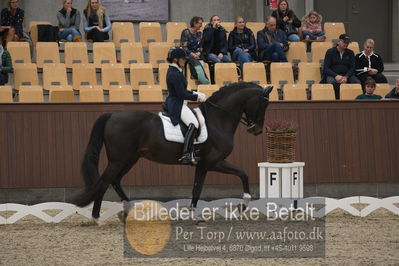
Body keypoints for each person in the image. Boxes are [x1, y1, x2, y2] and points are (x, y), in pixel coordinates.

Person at [164, 48, 206, 164]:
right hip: (176, 103)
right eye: (183, 59)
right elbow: (181, 94)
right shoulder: (174, 74)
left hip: (179, 101)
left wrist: (194, 93)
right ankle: (186, 153)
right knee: (194, 124)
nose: (185, 62)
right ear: (176, 59)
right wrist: (196, 96)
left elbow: (183, 90)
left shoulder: (176, 71)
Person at [322, 34, 360, 99]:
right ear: (339, 41)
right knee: (332, 82)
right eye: (344, 42)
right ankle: (336, 101)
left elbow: (352, 67)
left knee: (357, 82)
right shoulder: (330, 52)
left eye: (347, 42)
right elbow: (326, 68)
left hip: (346, 75)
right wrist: (336, 76)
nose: (346, 44)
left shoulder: (350, 53)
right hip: (333, 75)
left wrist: (346, 76)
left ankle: (353, 101)